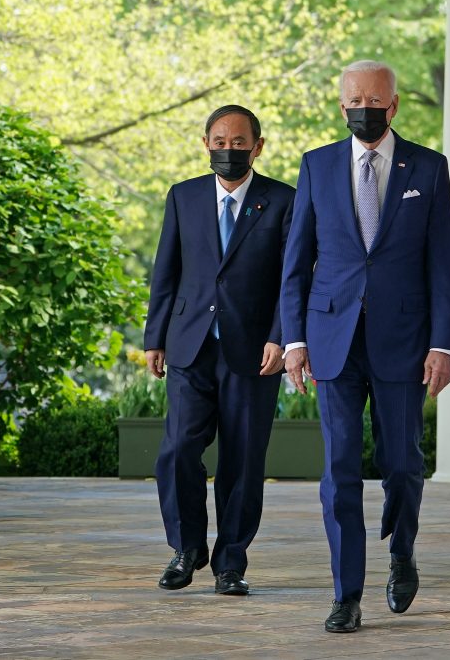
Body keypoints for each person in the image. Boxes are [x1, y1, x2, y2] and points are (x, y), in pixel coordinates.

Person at [280, 60, 450, 632]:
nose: (364, 107)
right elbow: (297, 261)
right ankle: (346, 594)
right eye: (353, 99)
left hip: (404, 341)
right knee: (338, 471)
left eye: (374, 99)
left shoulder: (429, 169)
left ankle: (402, 550)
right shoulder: (316, 165)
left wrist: (444, 344)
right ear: (341, 107)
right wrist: (295, 340)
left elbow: (444, 264)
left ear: (394, 104)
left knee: (403, 464)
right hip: (332, 338)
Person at [144, 105, 294, 596]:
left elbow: (293, 281)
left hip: (255, 352)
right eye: (219, 141)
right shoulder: (183, 197)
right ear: (205, 143)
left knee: (244, 461)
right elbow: (165, 271)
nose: (228, 150)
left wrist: (282, 335)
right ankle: (186, 549)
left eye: (238, 142)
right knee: (179, 450)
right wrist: (155, 337)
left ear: (258, 146)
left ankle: (231, 562)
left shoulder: (284, 201)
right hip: (189, 346)